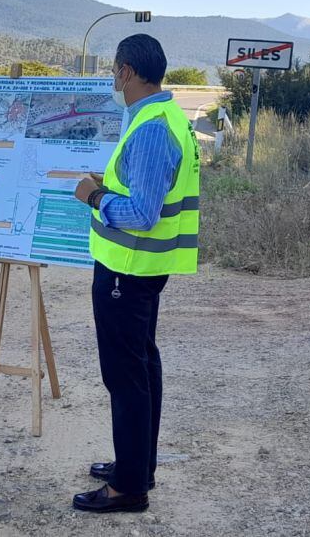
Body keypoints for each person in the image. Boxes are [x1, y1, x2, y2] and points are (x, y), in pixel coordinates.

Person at [71, 34, 200, 513]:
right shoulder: (165, 116)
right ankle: (137, 464)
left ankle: (128, 488)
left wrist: (95, 196)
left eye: (113, 70)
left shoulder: (149, 126)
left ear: (126, 72)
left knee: (125, 377)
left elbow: (142, 212)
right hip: (143, 267)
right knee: (142, 367)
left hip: (129, 269)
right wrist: (111, 188)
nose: (112, 79)